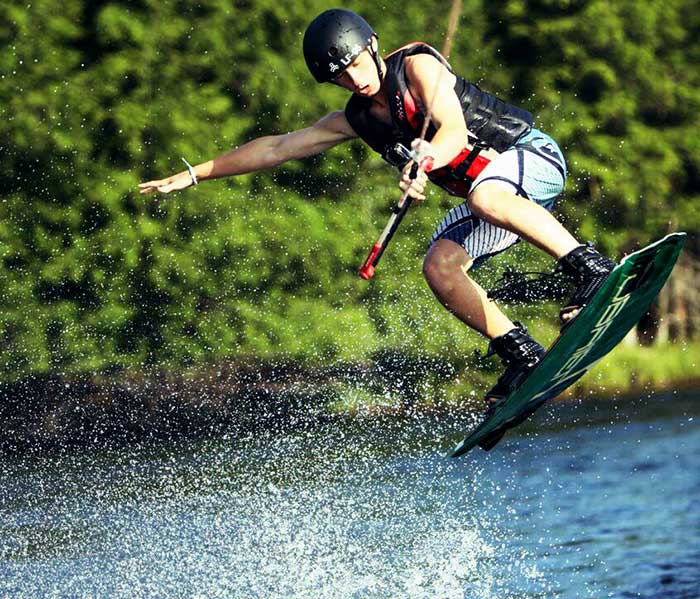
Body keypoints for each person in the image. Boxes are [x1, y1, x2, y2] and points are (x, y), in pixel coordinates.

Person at [139, 8, 615, 413]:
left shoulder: (419, 69)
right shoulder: (355, 118)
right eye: (339, 76)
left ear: (372, 45)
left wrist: (424, 159)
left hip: (529, 158)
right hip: (492, 198)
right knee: (439, 267)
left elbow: (450, 128)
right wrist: (196, 173)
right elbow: (277, 148)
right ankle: (520, 352)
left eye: (354, 64)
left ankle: (592, 270)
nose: (353, 78)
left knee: (484, 197)